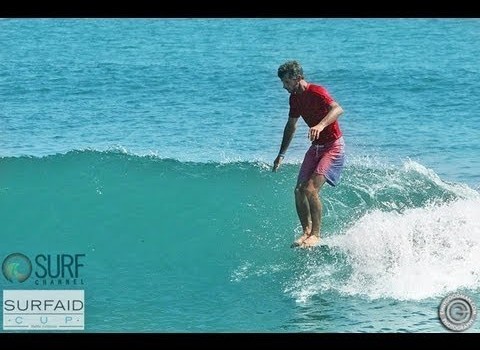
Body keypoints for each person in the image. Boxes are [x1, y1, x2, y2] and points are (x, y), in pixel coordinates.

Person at [273, 60, 345, 248]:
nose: (284, 86)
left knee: (310, 189)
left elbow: (337, 109)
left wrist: (320, 125)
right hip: (316, 147)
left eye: (287, 82)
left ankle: (316, 234)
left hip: (333, 146)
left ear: (298, 78)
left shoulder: (317, 91)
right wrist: (281, 154)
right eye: (283, 83)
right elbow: (291, 126)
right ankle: (306, 231)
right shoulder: (294, 99)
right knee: (298, 190)